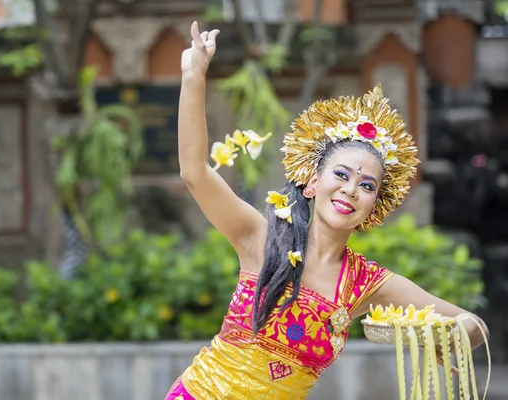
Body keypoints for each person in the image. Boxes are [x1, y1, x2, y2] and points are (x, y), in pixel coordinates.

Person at [166, 22, 490, 399]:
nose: (351, 189)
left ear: (373, 205)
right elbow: (195, 173)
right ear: (312, 183)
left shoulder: (365, 283)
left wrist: (446, 334)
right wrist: (194, 76)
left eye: (367, 185)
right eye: (341, 174)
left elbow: (474, 325)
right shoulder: (261, 238)